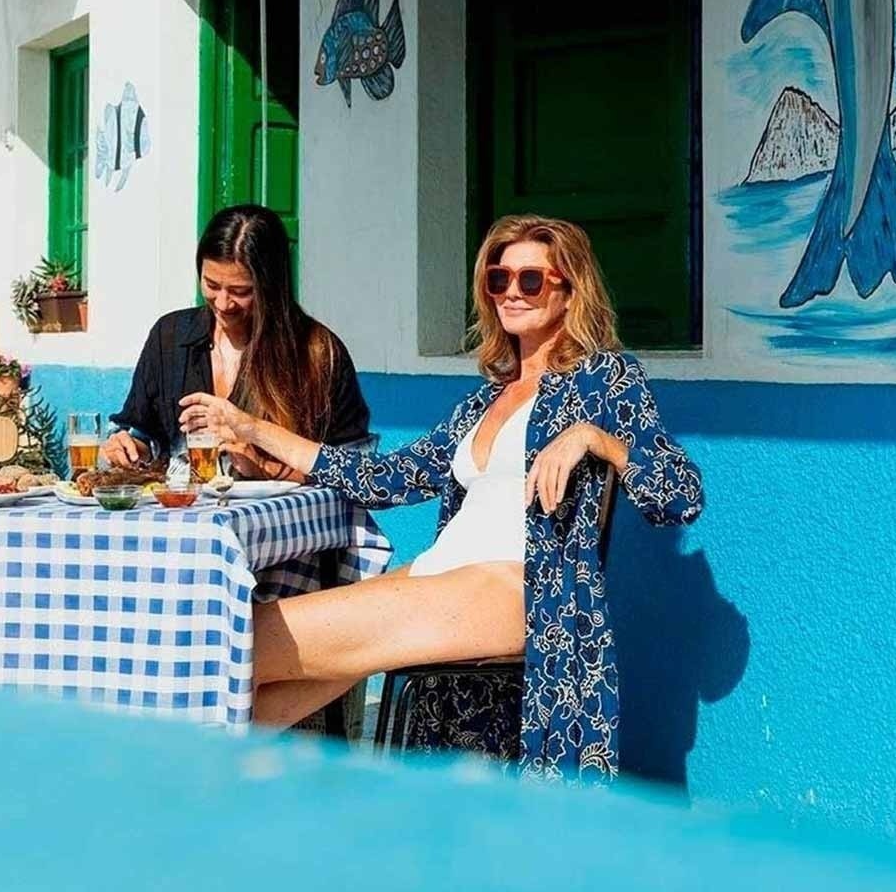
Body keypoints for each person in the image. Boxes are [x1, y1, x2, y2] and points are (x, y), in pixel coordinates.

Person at [178, 214, 704, 779]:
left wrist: (594, 439)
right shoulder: (485, 399)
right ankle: (180, 795)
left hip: (517, 588)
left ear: (570, 291)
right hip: (439, 576)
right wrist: (253, 429)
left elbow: (680, 493)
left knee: (239, 637)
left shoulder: (606, 378)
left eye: (531, 280)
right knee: (242, 687)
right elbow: (387, 478)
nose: (511, 293)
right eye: (498, 280)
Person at [106, 206, 369, 476]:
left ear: (272, 286)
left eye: (240, 291)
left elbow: (354, 469)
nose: (223, 303)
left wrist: (266, 468)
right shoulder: (169, 335)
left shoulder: (316, 352)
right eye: (211, 285)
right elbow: (143, 431)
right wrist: (130, 447)